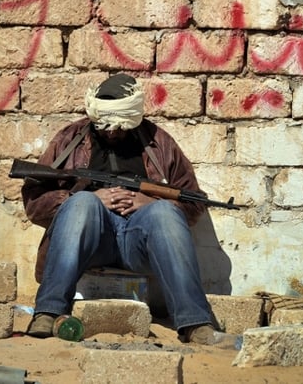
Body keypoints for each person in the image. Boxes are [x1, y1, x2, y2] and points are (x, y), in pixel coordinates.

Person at [20, 73, 224, 345]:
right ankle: (48, 312)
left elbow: (193, 201)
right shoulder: (69, 141)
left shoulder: (158, 142)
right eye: (105, 125)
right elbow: (34, 201)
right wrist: (85, 197)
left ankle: (195, 323)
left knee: (163, 214)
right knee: (83, 203)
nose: (112, 132)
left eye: (120, 126)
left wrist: (152, 202)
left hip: (138, 242)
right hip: (92, 242)